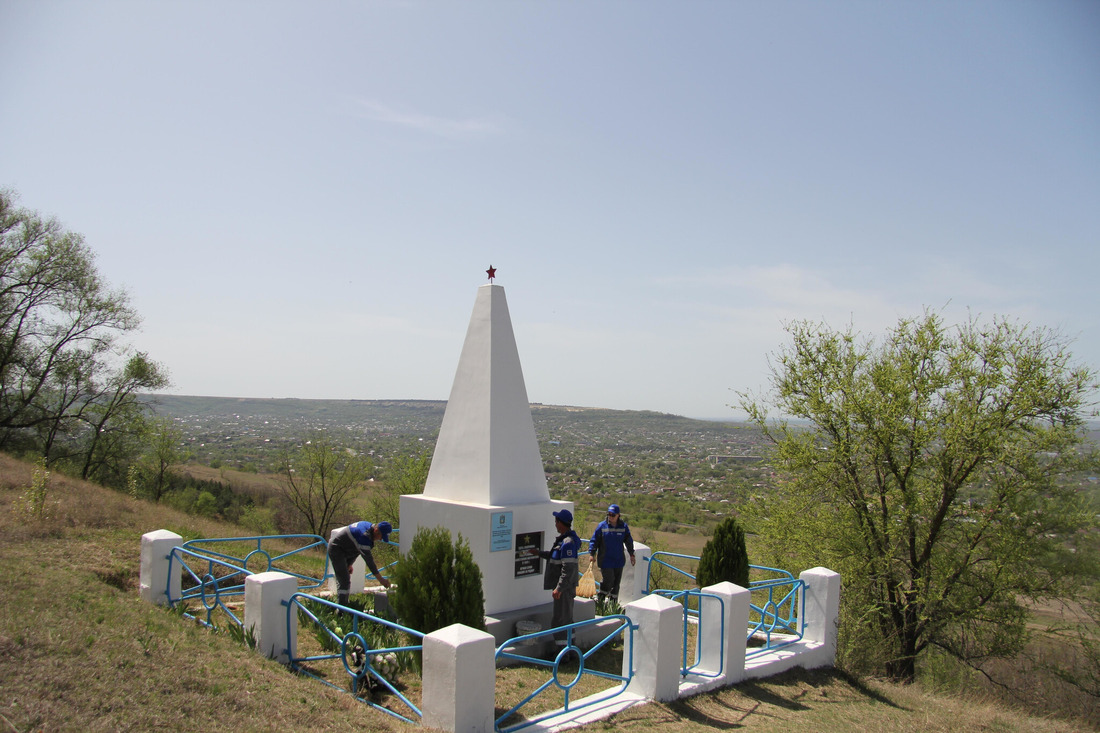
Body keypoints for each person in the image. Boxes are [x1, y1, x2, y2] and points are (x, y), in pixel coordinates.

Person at [537, 508, 581, 648]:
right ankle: (569, 650)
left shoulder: (567, 543)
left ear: (561, 523)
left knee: (560, 621)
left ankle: (563, 653)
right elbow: (554, 557)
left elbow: (568, 569)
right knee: (565, 619)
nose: (555, 524)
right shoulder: (562, 541)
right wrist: (537, 553)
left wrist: (559, 588)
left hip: (564, 589)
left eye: (556, 521)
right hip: (563, 588)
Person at [328, 520, 392, 607]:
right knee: (344, 580)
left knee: (345, 580)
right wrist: (381, 579)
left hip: (346, 550)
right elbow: (369, 561)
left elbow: (357, 549)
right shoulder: (364, 536)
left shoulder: (368, 528)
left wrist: (349, 563)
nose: (380, 539)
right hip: (336, 550)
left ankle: (343, 606)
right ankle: (341, 611)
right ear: (376, 530)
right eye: (381, 536)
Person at [588, 503, 635, 604]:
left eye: (613, 515)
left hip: (618, 560)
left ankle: (612, 604)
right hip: (605, 560)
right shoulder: (602, 526)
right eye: (609, 514)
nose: (610, 517)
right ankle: (600, 598)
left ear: (618, 515)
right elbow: (594, 540)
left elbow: (628, 540)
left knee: (616, 584)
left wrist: (632, 554)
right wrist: (592, 553)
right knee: (608, 580)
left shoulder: (623, 527)